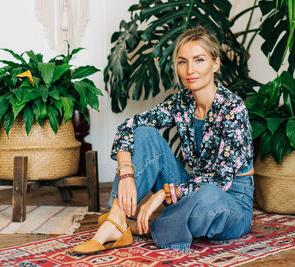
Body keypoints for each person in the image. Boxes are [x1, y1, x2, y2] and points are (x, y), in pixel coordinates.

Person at [73, 26, 254, 254]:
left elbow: (220, 179)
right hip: (190, 187)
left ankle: (158, 226)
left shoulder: (233, 109)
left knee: (209, 196)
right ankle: (117, 220)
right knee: (145, 133)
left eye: (199, 60)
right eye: (182, 62)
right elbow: (129, 126)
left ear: (215, 64)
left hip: (229, 199)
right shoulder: (182, 101)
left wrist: (163, 194)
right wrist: (126, 171)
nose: (190, 70)